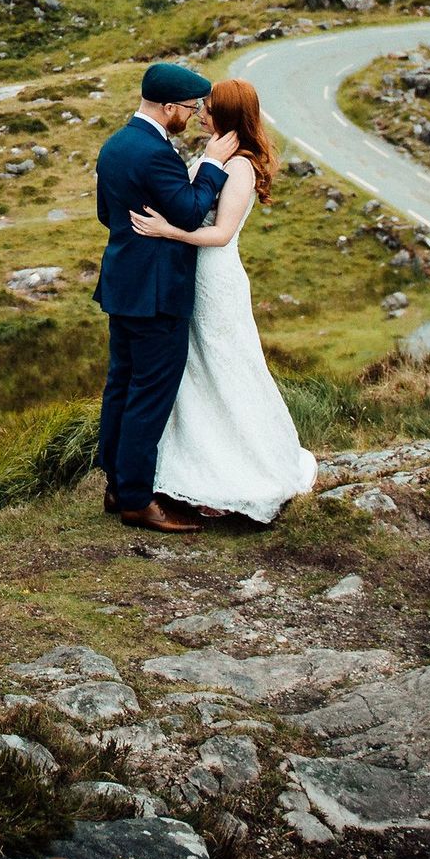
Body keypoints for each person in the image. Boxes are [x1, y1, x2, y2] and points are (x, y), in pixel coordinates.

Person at [124, 77, 317, 524]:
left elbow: (221, 233)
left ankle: (244, 467)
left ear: (227, 115)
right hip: (193, 274)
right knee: (196, 367)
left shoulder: (241, 166)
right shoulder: (217, 154)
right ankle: (197, 460)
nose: (200, 111)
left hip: (215, 277)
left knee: (224, 362)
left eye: (209, 107)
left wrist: (167, 231)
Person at [91, 60, 233, 531]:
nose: (193, 116)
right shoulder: (155, 153)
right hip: (156, 293)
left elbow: (104, 213)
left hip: (122, 284)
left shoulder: (115, 145)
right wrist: (211, 165)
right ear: (169, 106)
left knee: (122, 384)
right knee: (149, 394)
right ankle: (135, 499)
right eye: (190, 109)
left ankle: (115, 485)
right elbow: (192, 214)